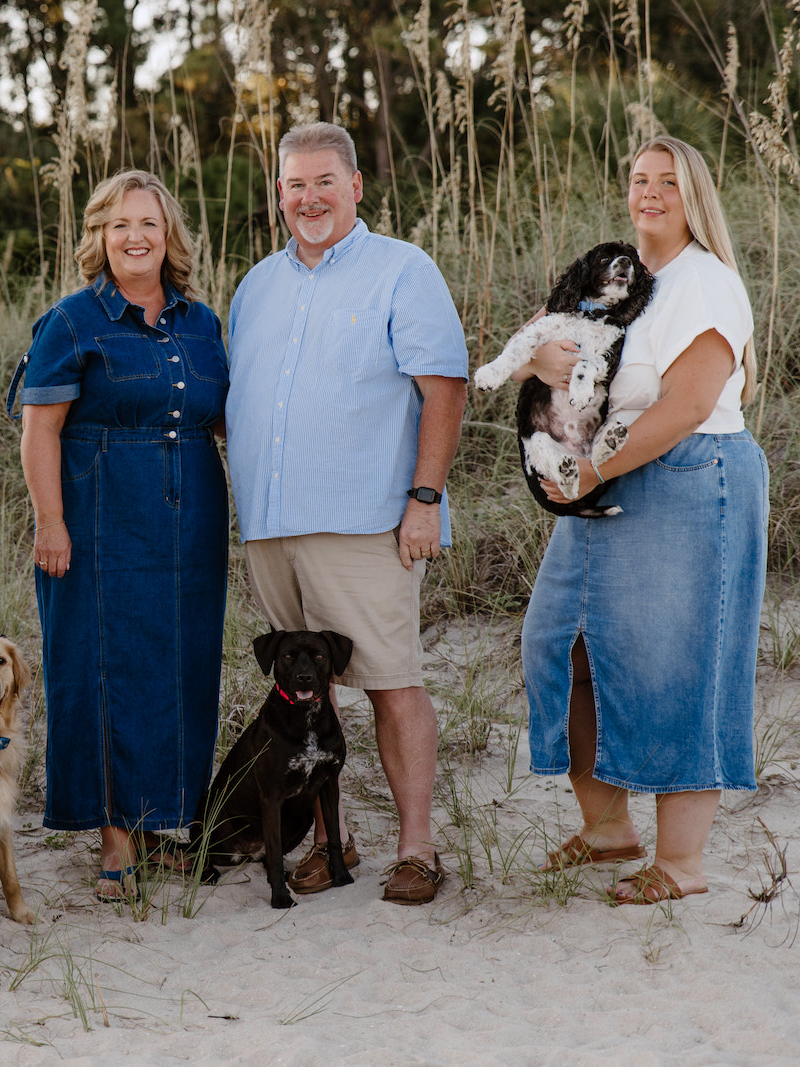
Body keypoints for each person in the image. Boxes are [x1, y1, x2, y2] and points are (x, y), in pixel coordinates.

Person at [225, 121, 468, 906]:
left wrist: (424, 499)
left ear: (356, 186)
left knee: (391, 681)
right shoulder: (256, 285)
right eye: (294, 184)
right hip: (271, 525)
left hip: (365, 518)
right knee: (307, 689)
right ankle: (332, 846)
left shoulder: (403, 269)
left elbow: (444, 386)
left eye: (324, 180)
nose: (309, 197)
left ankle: (418, 849)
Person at [518, 136, 766, 904]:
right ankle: (606, 830)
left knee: (678, 666)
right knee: (561, 644)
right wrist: (539, 360)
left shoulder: (705, 282)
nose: (649, 192)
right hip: (603, 477)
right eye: (638, 179)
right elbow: (547, 350)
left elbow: (688, 405)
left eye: (667, 181)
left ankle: (683, 864)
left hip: (690, 477)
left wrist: (588, 469)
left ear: (696, 196)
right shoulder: (625, 279)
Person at [10, 169, 228, 901]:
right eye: (120, 225)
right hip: (98, 516)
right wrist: (50, 521)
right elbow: (40, 430)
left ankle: (165, 823)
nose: (136, 238)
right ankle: (115, 844)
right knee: (104, 668)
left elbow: (225, 417)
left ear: (170, 238)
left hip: (191, 514)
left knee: (181, 665)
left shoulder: (201, 322)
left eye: (149, 225)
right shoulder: (72, 321)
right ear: (99, 237)